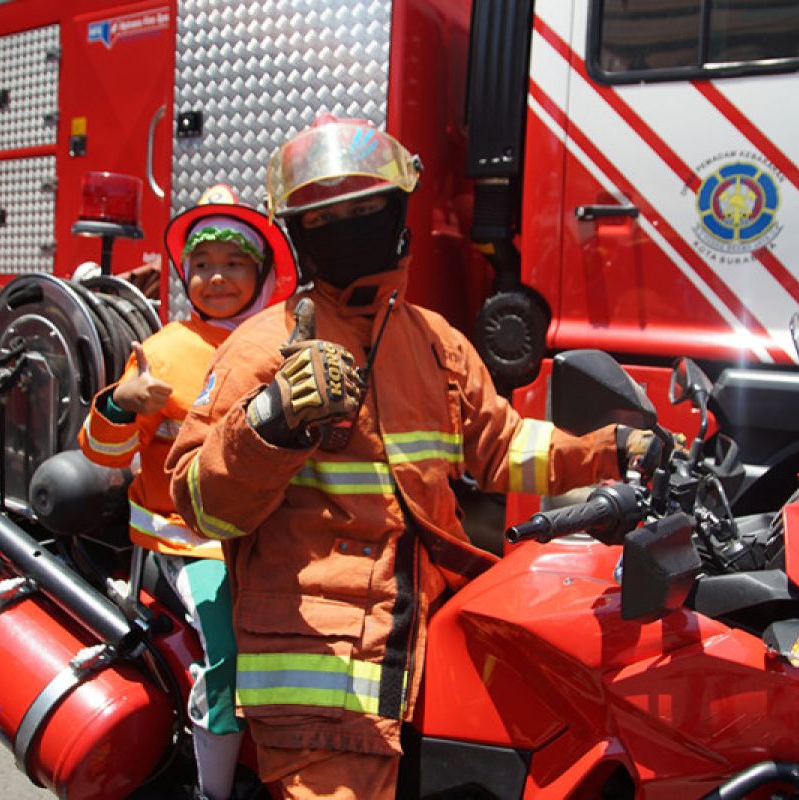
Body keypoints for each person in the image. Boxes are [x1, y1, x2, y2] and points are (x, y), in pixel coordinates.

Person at [165, 117, 654, 799]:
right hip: (322, 688)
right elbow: (200, 504)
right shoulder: (262, 347)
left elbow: (503, 448)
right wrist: (274, 419)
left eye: (367, 209)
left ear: (399, 213)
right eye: (327, 218)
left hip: (428, 647)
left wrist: (609, 455)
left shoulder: (433, 342)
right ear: (300, 236)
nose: (351, 227)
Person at [78, 186, 297, 800]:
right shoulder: (163, 351)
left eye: (233, 263)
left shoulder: (283, 343)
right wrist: (122, 405)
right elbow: (103, 454)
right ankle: (215, 789)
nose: (215, 277)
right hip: (191, 549)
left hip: (267, 536)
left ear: (262, 274)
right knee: (227, 653)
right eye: (201, 265)